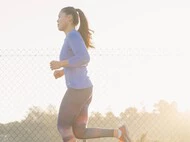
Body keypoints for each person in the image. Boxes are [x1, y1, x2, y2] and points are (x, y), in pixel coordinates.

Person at [50, 6, 132, 142]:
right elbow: (78, 61)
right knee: (80, 132)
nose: (57, 20)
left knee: (63, 126)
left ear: (69, 18)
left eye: (59, 16)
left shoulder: (72, 35)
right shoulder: (72, 37)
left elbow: (84, 58)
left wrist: (61, 63)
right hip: (85, 90)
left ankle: (120, 133)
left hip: (78, 90)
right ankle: (119, 133)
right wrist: (63, 71)